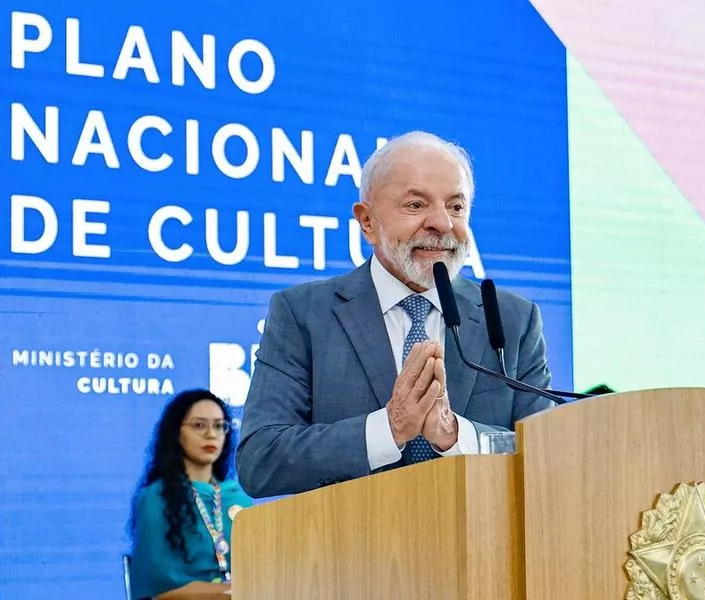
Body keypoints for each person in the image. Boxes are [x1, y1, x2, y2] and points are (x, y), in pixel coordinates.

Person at [237, 131, 555, 498]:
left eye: (456, 207)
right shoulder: (304, 314)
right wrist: (388, 429)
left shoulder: (511, 319)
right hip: (352, 549)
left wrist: (457, 435)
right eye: (416, 205)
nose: (443, 224)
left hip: (482, 549)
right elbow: (260, 461)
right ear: (367, 222)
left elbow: (546, 458)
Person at [129, 390, 253, 599]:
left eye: (219, 426)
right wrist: (230, 592)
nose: (211, 434)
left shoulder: (238, 497)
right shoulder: (157, 498)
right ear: (176, 433)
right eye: (199, 425)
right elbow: (160, 589)